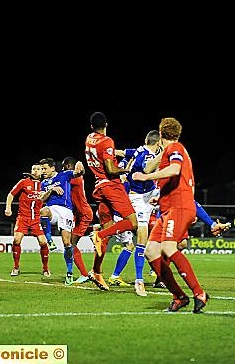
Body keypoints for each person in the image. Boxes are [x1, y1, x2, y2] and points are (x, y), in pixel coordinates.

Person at [132, 117, 209, 313]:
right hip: (168, 208)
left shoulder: (176, 149)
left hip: (180, 207)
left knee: (168, 247)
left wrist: (146, 177)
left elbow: (173, 170)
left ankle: (199, 293)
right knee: (151, 251)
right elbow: (149, 167)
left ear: (161, 134)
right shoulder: (170, 150)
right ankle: (179, 296)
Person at [84, 111, 138, 291]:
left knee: (106, 233)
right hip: (111, 185)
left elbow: (101, 158)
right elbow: (110, 168)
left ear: (92, 127)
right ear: (106, 124)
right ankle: (98, 235)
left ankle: (96, 271)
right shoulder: (107, 141)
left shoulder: (89, 138)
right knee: (132, 222)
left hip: (99, 186)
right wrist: (125, 170)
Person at [107, 130, 162, 297]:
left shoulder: (137, 150)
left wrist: (107, 153)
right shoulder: (147, 155)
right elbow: (146, 169)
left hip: (151, 193)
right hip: (138, 198)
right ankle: (139, 281)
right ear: (158, 143)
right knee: (141, 237)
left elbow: (121, 152)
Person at [39, 157, 85, 285]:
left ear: (52, 168)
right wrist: (51, 189)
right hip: (52, 209)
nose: (43, 171)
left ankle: (69, 273)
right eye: (42, 169)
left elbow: (77, 173)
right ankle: (49, 241)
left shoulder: (64, 175)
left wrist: (80, 168)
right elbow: (42, 199)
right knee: (43, 211)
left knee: (67, 243)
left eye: (45, 168)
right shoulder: (44, 183)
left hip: (66, 211)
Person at [4, 163, 51, 277]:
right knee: (17, 240)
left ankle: (45, 269)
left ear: (42, 172)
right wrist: (8, 208)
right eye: (33, 169)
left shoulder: (44, 185)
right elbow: (11, 195)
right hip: (23, 217)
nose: (35, 171)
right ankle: (16, 267)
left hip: (36, 219)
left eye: (38, 169)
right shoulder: (23, 182)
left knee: (43, 242)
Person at [61, 156, 93, 284]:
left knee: (71, 244)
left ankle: (85, 274)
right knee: (69, 244)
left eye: (64, 167)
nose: (63, 170)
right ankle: (88, 272)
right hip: (77, 215)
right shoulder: (73, 178)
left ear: (68, 167)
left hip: (84, 215)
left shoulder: (76, 178)